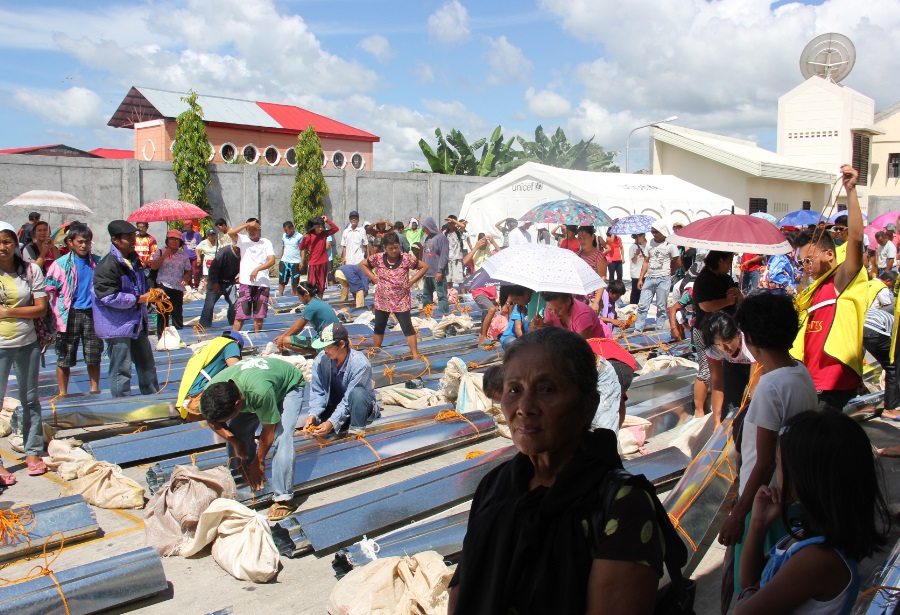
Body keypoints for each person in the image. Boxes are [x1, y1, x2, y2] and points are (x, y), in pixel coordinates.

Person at [447, 327, 664, 615]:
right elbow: (461, 592)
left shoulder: (622, 504)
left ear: (588, 405)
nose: (524, 407)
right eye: (514, 390)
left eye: (547, 389)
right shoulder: (496, 486)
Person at [735, 411, 890, 615]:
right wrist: (758, 523)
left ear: (805, 477)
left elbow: (743, 611)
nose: (777, 470)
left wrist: (750, 594)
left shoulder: (818, 559)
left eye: (780, 463)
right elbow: (749, 579)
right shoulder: (805, 536)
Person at [717, 293, 818, 600]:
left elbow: (764, 463)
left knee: (751, 584)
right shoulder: (800, 373)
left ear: (750, 339)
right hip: (789, 498)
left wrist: (739, 514)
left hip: (765, 502)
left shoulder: (771, 387)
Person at [793, 165, 866, 413]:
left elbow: (856, 238)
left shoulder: (840, 280)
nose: (805, 267)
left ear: (828, 254)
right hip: (811, 378)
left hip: (833, 380)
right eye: (801, 262)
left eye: (808, 260)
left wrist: (851, 190)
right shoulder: (813, 289)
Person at [200, 356, 306, 521]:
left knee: (282, 437)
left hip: (287, 386)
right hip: (258, 386)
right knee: (237, 430)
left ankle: (284, 497)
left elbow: (268, 430)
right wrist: (233, 440)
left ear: (237, 404)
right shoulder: (210, 394)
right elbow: (212, 421)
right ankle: (241, 477)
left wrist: (260, 460)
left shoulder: (259, 393)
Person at [0, 220, 49, 481]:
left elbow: (40, 308)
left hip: (26, 343)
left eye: (6, 241)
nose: (2, 247)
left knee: (30, 400)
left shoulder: (30, 271)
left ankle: (32, 451)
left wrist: (7, 312)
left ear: (15, 245)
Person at [92, 220, 159, 397]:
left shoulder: (134, 260)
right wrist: (139, 298)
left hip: (137, 323)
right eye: (128, 238)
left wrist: (153, 293)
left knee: (147, 365)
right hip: (118, 326)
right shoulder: (108, 265)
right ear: (115, 240)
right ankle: (122, 405)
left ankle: (153, 399)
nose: (133, 241)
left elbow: (141, 287)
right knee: (121, 369)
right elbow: (108, 296)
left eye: (133, 237)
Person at [45, 223, 103, 395]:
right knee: (65, 356)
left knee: (93, 355)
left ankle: (94, 390)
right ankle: (63, 393)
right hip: (68, 315)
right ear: (70, 242)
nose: (84, 245)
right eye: (80, 241)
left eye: (87, 242)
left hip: (92, 313)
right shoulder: (60, 265)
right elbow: (49, 290)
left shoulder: (98, 263)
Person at [302, 322, 379, 438]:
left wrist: (331, 423)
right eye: (324, 346)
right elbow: (318, 391)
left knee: (358, 393)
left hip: (356, 406)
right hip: (334, 405)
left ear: (341, 344)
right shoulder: (321, 360)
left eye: (329, 346)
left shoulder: (360, 364)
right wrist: (313, 414)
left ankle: (356, 431)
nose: (325, 350)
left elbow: (348, 400)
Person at [359, 231, 429, 356]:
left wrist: (412, 281)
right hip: (382, 300)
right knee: (379, 326)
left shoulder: (406, 258)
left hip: (400, 300)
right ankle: (376, 351)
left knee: (407, 327)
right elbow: (363, 264)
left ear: (400, 245)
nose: (394, 251)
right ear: (385, 248)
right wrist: (373, 278)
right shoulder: (379, 258)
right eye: (390, 248)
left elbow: (424, 267)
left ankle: (415, 354)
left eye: (396, 247)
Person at [692, 251, 741, 422]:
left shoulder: (725, 278)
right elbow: (705, 306)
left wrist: (736, 294)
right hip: (706, 331)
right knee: (706, 371)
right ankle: (698, 410)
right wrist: (728, 301)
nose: (729, 266)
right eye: (728, 262)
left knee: (723, 371)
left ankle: (718, 408)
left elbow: (736, 299)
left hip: (725, 331)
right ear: (720, 261)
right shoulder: (703, 280)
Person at [176, 330, 243, 420]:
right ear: (238, 342)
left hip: (190, 397)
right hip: (202, 396)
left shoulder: (211, 345)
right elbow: (236, 370)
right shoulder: (231, 344)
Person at [228, 218, 276, 333]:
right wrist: (247, 224)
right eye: (249, 229)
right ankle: (233, 338)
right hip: (246, 283)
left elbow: (272, 260)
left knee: (259, 316)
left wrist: (258, 269)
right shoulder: (243, 240)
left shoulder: (266, 242)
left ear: (259, 229)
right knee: (240, 316)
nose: (252, 231)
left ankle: (257, 337)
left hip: (262, 283)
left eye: (254, 229)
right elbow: (230, 232)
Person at [634, 224, 681, 332]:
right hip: (650, 277)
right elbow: (646, 261)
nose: (654, 234)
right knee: (642, 305)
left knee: (661, 307)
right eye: (652, 231)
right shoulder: (650, 243)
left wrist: (668, 271)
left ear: (662, 232)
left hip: (663, 279)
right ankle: (638, 329)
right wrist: (641, 278)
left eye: (656, 232)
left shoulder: (670, 245)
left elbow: (678, 263)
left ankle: (659, 330)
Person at [274, 281, 339, 354]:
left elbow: (298, 327)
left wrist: (282, 338)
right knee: (286, 338)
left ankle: (318, 353)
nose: (299, 299)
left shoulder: (311, 306)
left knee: (286, 341)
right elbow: (299, 323)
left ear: (305, 295)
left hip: (326, 342)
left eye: (299, 296)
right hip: (336, 338)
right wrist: (283, 335)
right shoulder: (318, 301)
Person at [149, 230, 192, 338]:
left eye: (177, 239)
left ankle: (178, 336)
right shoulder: (160, 252)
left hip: (177, 287)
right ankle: (162, 337)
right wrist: (164, 256)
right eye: (171, 239)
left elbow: (188, 270)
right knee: (163, 313)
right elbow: (154, 266)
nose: (174, 241)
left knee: (177, 313)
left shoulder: (183, 256)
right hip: (163, 286)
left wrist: (186, 277)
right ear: (167, 240)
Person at [534, 291, 612, 339]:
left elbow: (583, 346)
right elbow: (549, 326)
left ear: (568, 301)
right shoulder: (551, 307)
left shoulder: (582, 315)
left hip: (598, 343)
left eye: (558, 309)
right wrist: (542, 325)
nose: (554, 313)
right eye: (550, 309)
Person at [199, 242, 239, 328]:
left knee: (235, 304)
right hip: (217, 281)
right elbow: (213, 267)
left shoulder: (243, 253)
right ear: (235, 247)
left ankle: (233, 323)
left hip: (230, 282)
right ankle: (204, 326)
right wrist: (215, 282)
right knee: (209, 305)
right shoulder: (224, 252)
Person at [299, 216, 338, 291]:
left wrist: (327, 220)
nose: (320, 228)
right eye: (318, 227)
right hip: (313, 263)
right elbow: (301, 248)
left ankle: (320, 300)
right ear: (314, 227)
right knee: (312, 285)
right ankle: (313, 301)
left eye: (322, 226)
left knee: (322, 285)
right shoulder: (309, 236)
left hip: (323, 263)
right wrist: (304, 239)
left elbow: (336, 229)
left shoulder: (324, 234)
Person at [421, 217, 449, 313]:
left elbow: (444, 256)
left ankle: (444, 316)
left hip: (437, 273)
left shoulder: (441, 238)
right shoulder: (427, 239)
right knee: (426, 295)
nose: (425, 231)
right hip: (428, 273)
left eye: (426, 229)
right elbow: (424, 255)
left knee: (441, 295)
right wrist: (423, 271)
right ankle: (427, 314)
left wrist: (440, 270)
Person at [577, 225, 607, 310]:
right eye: (579, 238)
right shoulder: (577, 255)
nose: (582, 241)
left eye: (584, 237)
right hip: (578, 298)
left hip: (592, 299)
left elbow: (602, 278)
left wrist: (596, 302)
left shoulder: (599, 257)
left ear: (592, 237)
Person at [497, 285, 532, 349]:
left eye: (517, 299)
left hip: (525, 336)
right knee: (513, 343)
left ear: (526, 294)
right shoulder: (518, 307)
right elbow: (517, 329)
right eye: (513, 300)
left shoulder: (530, 305)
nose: (515, 302)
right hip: (511, 336)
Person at [278, 220, 303, 298]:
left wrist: (302, 261)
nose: (286, 232)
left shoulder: (299, 236)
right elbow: (283, 247)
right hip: (285, 260)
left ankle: (294, 294)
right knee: (282, 279)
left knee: (294, 280)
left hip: (295, 261)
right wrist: (281, 257)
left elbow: (302, 249)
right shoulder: (284, 236)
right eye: (285, 231)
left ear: (291, 228)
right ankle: (280, 295)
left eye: (287, 230)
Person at [444, 215, 465, 289]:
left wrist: (454, 221)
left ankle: (463, 296)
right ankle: (451, 295)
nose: (450, 224)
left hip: (457, 258)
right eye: (449, 223)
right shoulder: (445, 232)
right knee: (448, 279)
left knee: (460, 280)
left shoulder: (458, 231)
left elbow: (462, 226)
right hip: (448, 258)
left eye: (452, 223)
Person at [196, 228, 219, 292]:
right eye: (211, 235)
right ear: (208, 235)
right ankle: (205, 291)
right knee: (207, 277)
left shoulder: (218, 242)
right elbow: (197, 249)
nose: (212, 236)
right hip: (207, 262)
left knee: (217, 277)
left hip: (216, 261)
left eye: (213, 234)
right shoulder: (204, 242)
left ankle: (216, 290)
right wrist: (198, 257)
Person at [181, 219, 203, 289]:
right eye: (185, 226)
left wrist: (199, 257)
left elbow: (200, 246)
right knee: (188, 271)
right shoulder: (184, 235)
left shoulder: (197, 234)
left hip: (195, 255)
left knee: (196, 271)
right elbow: (181, 244)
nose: (186, 228)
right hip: (186, 256)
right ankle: (189, 285)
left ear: (191, 226)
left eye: (187, 226)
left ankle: (197, 285)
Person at [628, 233, 648, 304]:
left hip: (644, 273)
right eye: (642, 236)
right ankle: (633, 305)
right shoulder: (633, 247)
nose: (644, 238)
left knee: (642, 292)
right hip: (636, 274)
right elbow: (633, 261)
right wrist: (636, 254)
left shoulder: (643, 246)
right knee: (635, 292)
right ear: (638, 237)